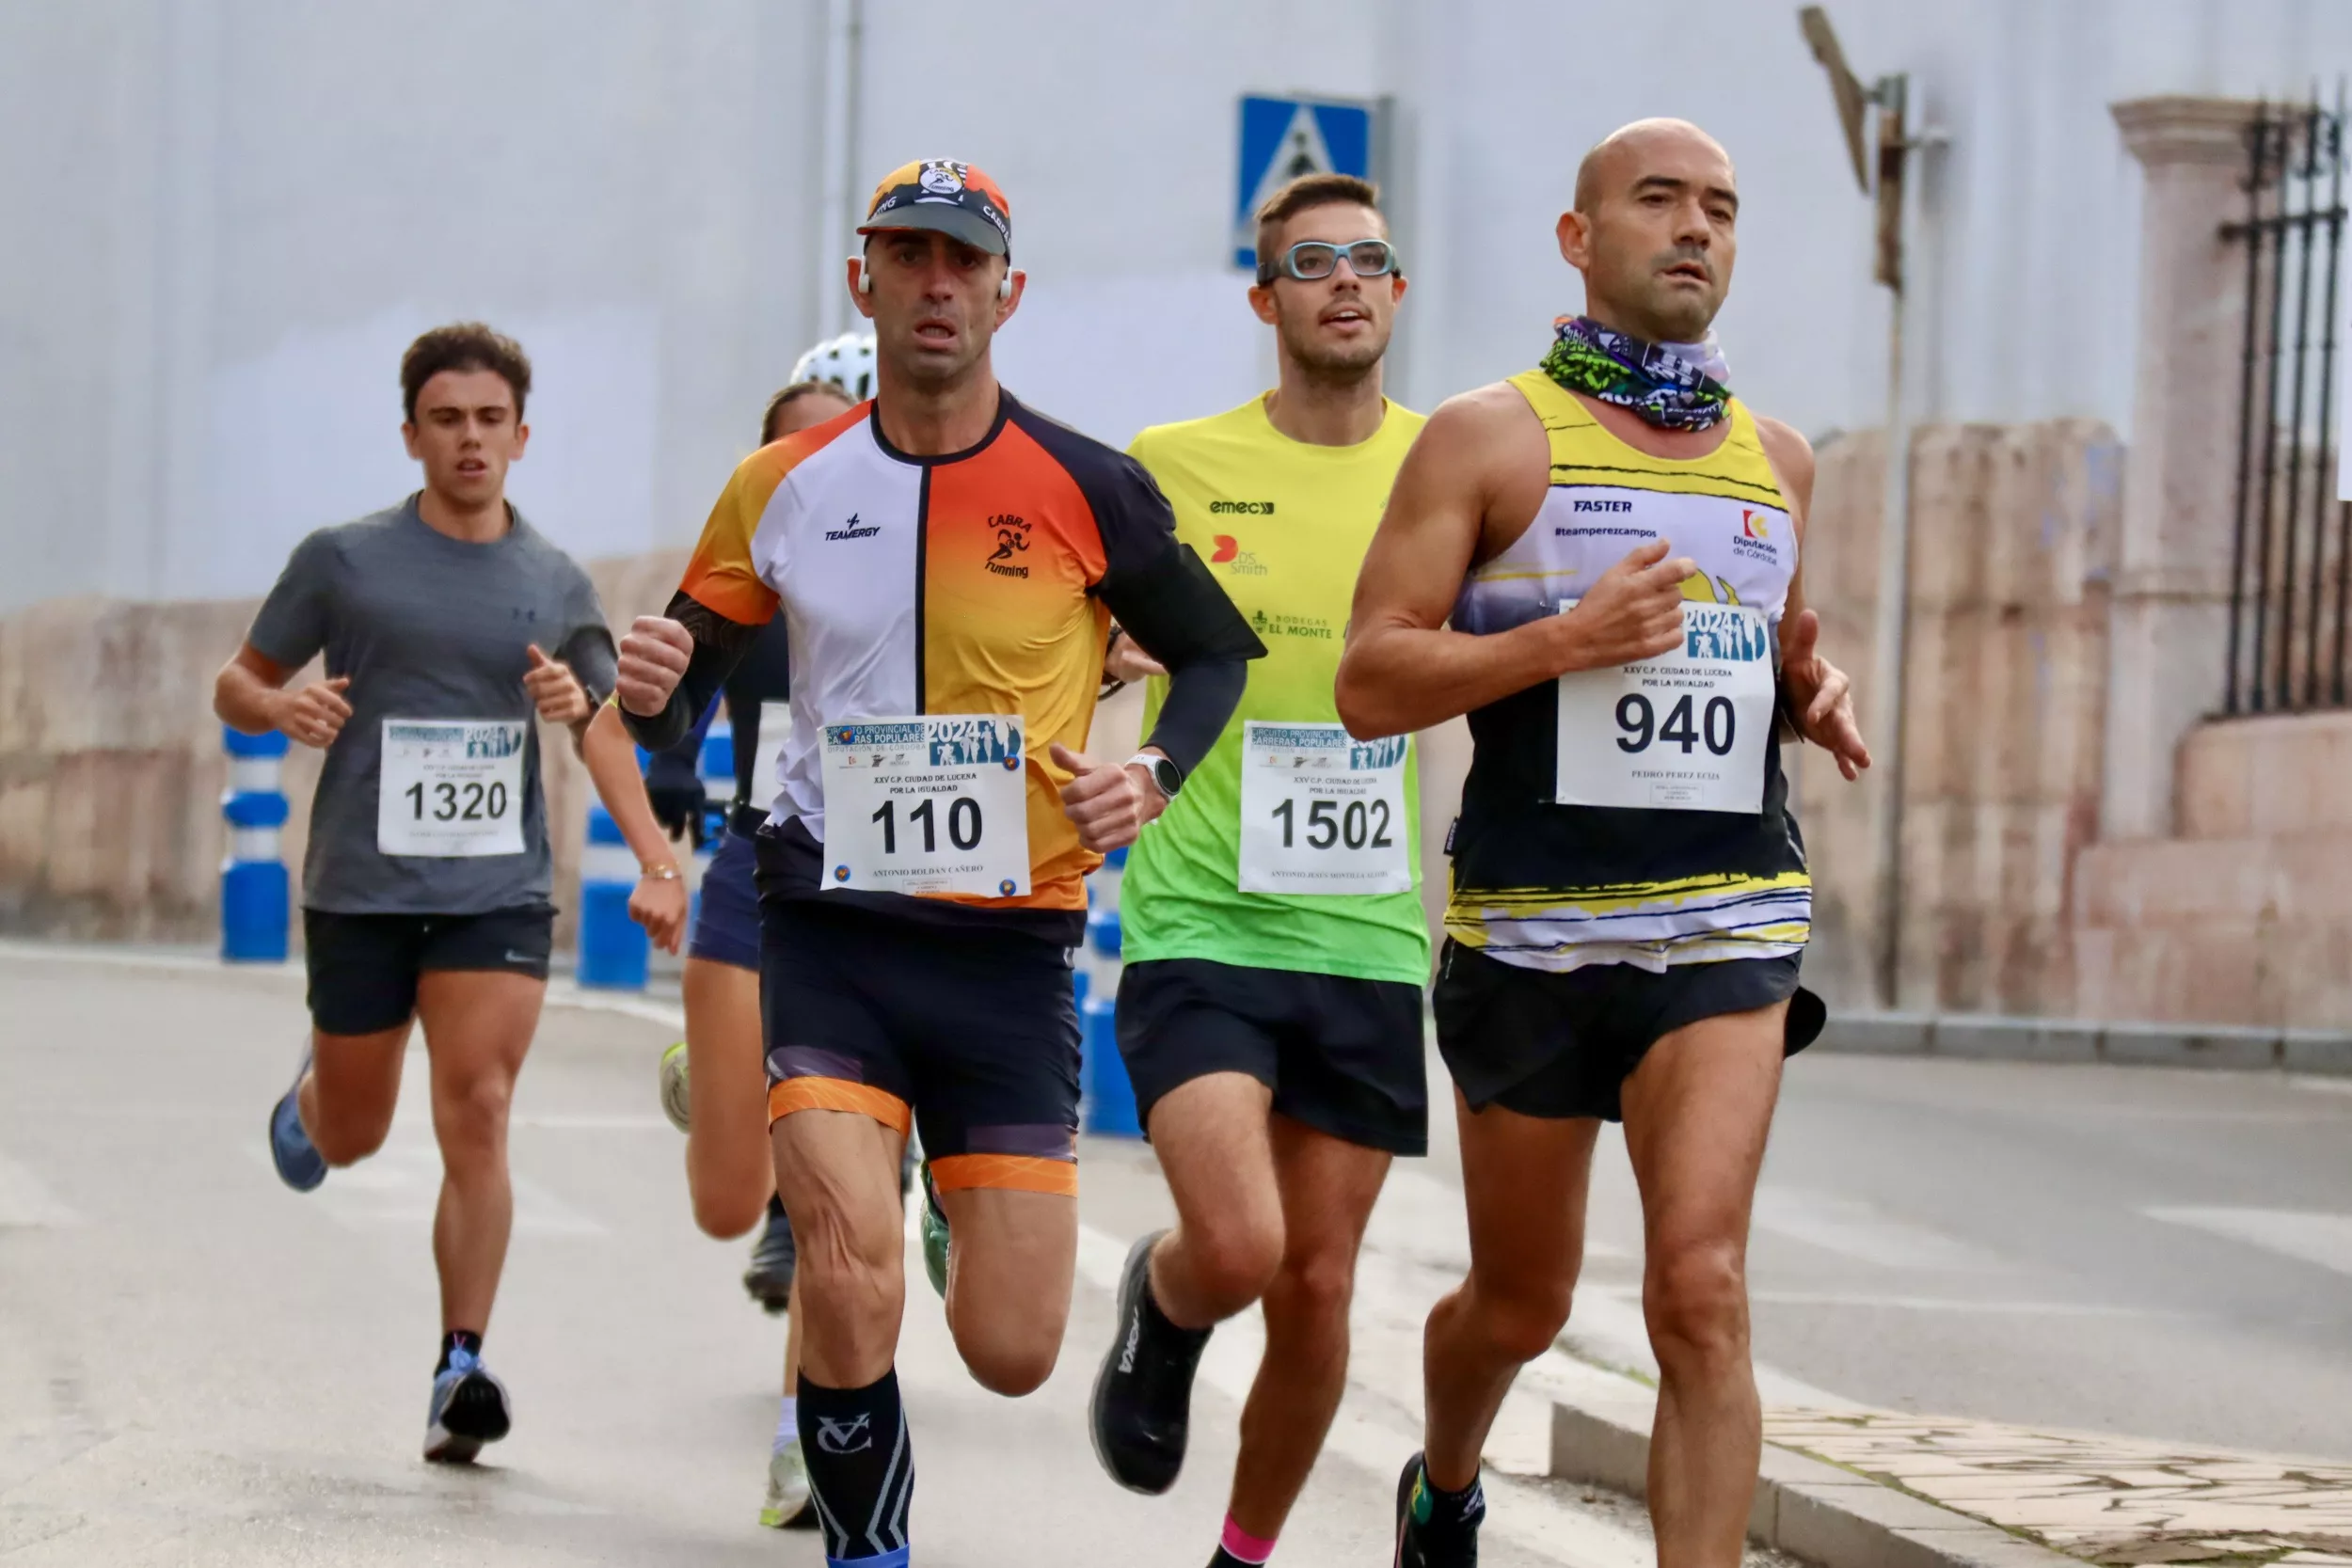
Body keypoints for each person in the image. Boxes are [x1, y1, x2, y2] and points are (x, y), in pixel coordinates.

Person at [612, 159, 1263, 1568]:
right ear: (866, 281)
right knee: (842, 1270)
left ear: (1006, 293)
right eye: (908, 256)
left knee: (1015, 1346)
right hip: (831, 921)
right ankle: (870, 1539)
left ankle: (940, 1197)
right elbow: (676, 682)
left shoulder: (1089, 485)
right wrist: (651, 677)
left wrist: (1148, 769)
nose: (936, 282)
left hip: (1009, 945)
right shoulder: (777, 486)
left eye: (964, 261)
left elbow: (1214, 653)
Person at [1332, 120, 1871, 1568]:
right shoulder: (1487, 437)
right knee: (1521, 1299)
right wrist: (1564, 639)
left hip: (1726, 924)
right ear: (1580, 240)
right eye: (1660, 201)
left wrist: (1807, 696)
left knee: (1701, 1288)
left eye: (1722, 207)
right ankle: (1446, 1478)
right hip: (1530, 932)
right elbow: (1371, 676)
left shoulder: (1779, 461)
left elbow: (1761, 655)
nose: (1697, 228)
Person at [1083, 172, 1429, 1568]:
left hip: (1366, 931)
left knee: (1323, 1283)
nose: (1343, 280)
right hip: (1202, 908)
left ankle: (1244, 1552)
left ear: (1397, 291)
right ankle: (1165, 1302)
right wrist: (1113, 687)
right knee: (1238, 1244)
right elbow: (1085, 631)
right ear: (1266, 297)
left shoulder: (1449, 462)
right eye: (1311, 262)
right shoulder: (1170, 459)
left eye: (1369, 259)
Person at [216, 323, 618, 1464]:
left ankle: (460, 1363)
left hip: (496, 889)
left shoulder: (553, 580)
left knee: (479, 1107)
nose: (470, 439)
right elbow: (235, 679)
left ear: (522, 436)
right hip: (361, 884)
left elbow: (607, 726)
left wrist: (572, 710)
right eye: (447, 419)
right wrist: (277, 707)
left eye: (491, 420)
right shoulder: (343, 560)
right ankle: (314, 1098)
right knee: (355, 1131)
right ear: (411, 434)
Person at [577, 358, 866, 1530]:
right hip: (760, 874)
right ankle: (720, 1077)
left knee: (824, 1196)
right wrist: (659, 855)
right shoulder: (743, 580)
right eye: (792, 452)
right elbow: (620, 730)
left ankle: (806, 1435)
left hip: (894, 890)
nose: (820, 471)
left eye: (844, 443)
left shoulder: (937, 571)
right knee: (728, 1199)